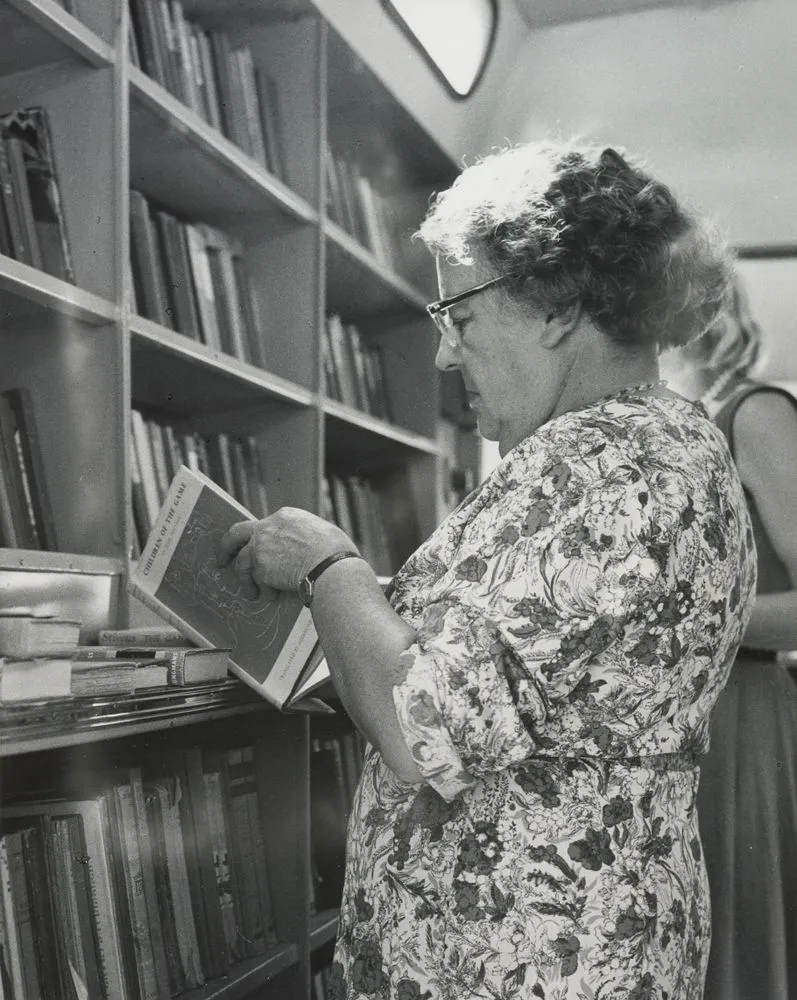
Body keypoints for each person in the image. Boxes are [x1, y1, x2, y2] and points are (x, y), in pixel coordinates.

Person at [218, 141, 757, 999]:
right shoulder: (671, 443)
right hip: (587, 937)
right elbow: (519, 677)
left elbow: (418, 733)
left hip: (523, 957)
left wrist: (328, 563)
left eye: (459, 317)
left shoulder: (592, 464)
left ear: (554, 304)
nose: (442, 357)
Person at [659, 277, 797, 1000]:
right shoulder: (666, 426)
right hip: (674, 719)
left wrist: (682, 623)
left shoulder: (756, 411)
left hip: (739, 717)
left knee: (733, 947)